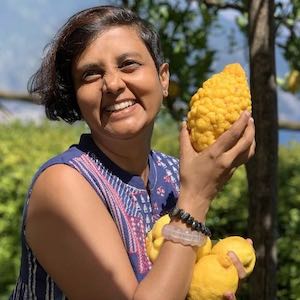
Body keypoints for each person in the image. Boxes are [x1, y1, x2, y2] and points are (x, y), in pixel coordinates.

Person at [10, 5, 255, 300]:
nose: (112, 84)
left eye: (128, 65)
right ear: (76, 98)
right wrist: (198, 197)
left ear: (163, 78)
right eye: (91, 75)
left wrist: (210, 283)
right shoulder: (64, 185)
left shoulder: (173, 173)